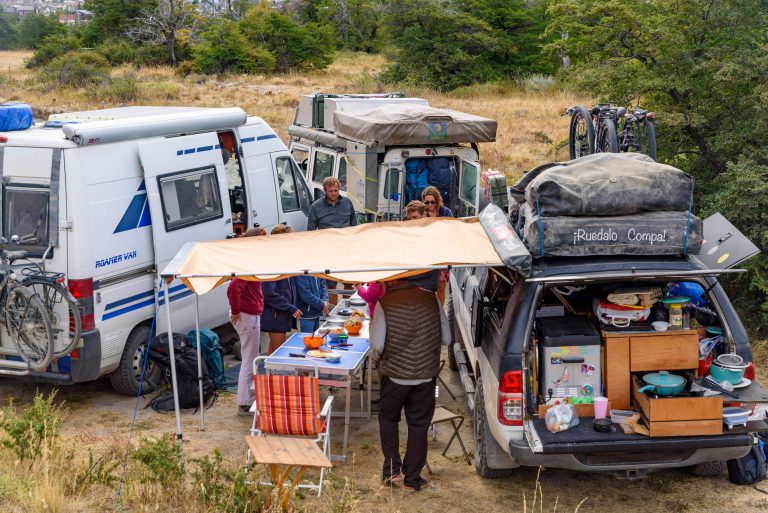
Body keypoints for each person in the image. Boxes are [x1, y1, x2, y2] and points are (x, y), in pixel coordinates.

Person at [370, 279, 451, 492]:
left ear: (390, 282)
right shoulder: (431, 299)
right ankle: (412, 479)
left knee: (388, 418)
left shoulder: (384, 303)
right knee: (419, 425)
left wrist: (378, 358)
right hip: (426, 376)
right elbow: (448, 338)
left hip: (394, 375)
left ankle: (391, 470)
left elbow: (377, 345)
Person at [227, 227, 266, 416]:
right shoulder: (248, 263)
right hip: (247, 315)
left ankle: (246, 399)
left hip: (247, 314)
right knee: (249, 359)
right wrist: (235, 310)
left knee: (249, 357)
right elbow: (234, 287)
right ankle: (244, 402)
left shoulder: (246, 259)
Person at [307, 176, 357, 304]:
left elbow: (354, 226)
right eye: (331, 191)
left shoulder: (347, 203)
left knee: (348, 283)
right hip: (328, 252)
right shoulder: (316, 207)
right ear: (325, 190)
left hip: (347, 250)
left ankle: (348, 310)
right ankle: (332, 311)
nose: (334, 193)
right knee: (331, 285)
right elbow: (311, 232)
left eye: (336, 190)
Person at [260, 224, 302, 354]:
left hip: (281, 313)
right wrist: (290, 307)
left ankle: (267, 373)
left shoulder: (284, 260)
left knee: (273, 352)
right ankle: (271, 373)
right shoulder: (271, 262)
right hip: (275, 315)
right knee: (279, 352)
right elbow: (269, 293)